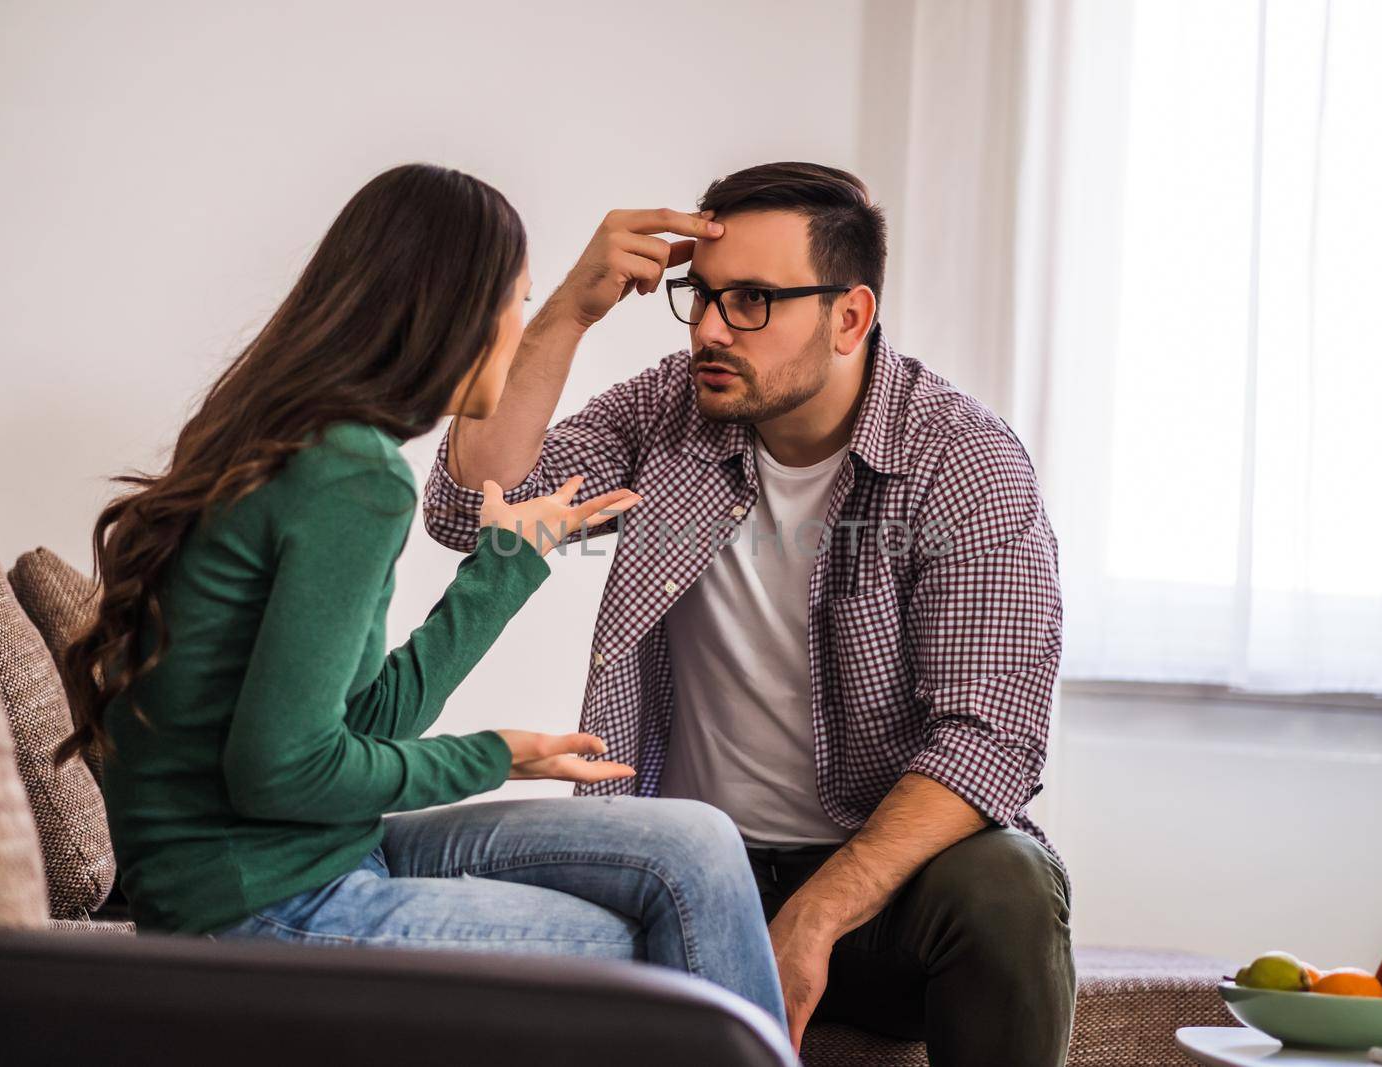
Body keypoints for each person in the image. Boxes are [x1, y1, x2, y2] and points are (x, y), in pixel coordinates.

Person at [56, 162, 787, 1031]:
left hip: (321, 852)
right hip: (256, 907)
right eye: (517, 302)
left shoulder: (303, 443)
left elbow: (357, 727)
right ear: (455, 311)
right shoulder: (352, 475)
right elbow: (283, 769)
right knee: (655, 950)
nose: (518, 328)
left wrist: (508, 565)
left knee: (697, 847)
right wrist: (495, 753)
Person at [424, 161, 1074, 1065]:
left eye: (755, 302)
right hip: (683, 866)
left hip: (872, 891)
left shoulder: (962, 463)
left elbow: (989, 737)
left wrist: (814, 914)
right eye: (703, 297)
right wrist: (571, 308)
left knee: (1008, 884)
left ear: (850, 316)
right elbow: (470, 510)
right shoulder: (670, 412)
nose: (713, 331)